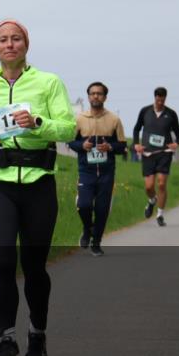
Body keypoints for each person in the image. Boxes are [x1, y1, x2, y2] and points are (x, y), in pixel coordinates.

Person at [0, 20, 76, 356]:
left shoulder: (48, 82)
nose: (9, 44)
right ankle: (6, 340)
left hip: (38, 183)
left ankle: (37, 333)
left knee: (33, 266)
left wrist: (39, 123)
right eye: (3, 39)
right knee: (2, 260)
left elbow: (70, 127)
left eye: (16, 39)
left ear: (26, 44)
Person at [67, 81, 127, 256]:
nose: (95, 96)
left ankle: (96, 243)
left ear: (105, 97)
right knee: (84, 205)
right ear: (88, 96)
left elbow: (122, 145)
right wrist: (81, 145)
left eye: (99, 94)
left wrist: (110, 147)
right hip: (86, 171)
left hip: (107, 172)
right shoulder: (79, 119)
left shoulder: (114, 120)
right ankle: (87, 229)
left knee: (101, 209)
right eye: (92, 93)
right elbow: (70, 141)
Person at [132, 87, 179, 226]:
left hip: (164, 153)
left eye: (162, 99)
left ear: (165, 98)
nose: (160, 101)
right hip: (148, 153)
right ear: (154, 97)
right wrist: (136, 144)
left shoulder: (171, 114)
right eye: (158, 98)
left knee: (161, 183)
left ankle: (160, 214)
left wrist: (176, 143)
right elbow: (136, 129)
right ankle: (152, 201)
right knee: (149, 187)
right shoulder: (145, 111)